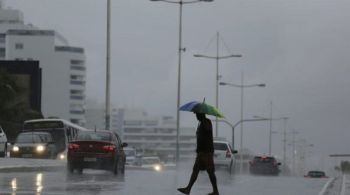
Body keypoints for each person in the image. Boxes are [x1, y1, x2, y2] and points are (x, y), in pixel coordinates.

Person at [177, 113, 219, 195]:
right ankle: (188, 189)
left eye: (197, 115)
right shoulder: (201, 123)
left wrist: (203, 122)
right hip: (201, 152)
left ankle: (216, 191)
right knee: (195, 170)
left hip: (206, 152)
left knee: (210, 171)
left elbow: (208, 129)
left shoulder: (207, 122)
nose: (196, 116)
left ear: (201, 115)